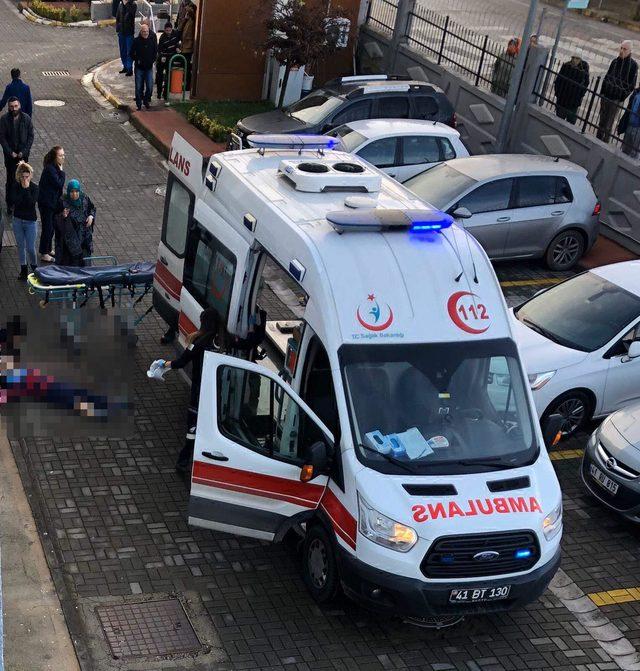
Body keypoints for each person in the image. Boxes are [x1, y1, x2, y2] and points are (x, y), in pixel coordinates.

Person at [160, 308, 224, 474]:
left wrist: (164, 365)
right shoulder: (222, 343)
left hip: (199, 394)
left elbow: (181, 362)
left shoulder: (198, 343)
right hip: (216, 394)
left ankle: (183, 462)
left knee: (192, 429)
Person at [597, 41, 638, 143]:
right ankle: (597, 138)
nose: (621, 51)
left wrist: (621, 97)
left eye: (625, 49)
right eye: (621, 48)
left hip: (616, 99)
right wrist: (602, 92)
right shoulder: (615, 61)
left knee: (608, 124)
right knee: (601, 121)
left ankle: (604, 142)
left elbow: (631, 85)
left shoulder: (633, 66)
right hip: (606, 96)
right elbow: (607, 76)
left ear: (630, 51)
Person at [0, 98, 34, 214]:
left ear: (19, 106)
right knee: (10, 179)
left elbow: (30, 137)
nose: (14, 109)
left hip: (23, 156)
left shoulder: (26, 119)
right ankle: (10, 204)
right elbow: (2, 138)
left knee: (23, 178)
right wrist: (10, 152)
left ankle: (21, 201)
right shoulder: (4, 120)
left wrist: (23, 152)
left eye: (15, 106)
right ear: (8, 107)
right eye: (11, 106)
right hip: (10, 157)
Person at [54, 179, 96, 267]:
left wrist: (91, 216)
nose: (74, 194)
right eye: (72, 192)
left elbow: (92, 208)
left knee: (85, 266)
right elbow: (54, 218)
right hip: (69, 245)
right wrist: (62, 216)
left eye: (77, 191)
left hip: (84, 240)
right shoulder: (62, 201)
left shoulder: (84, 198)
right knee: (71, 269)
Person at [37, 146, 65, 263]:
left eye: (63, 155)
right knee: (47, 228)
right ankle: (44, 253)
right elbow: (59, 184)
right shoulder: (50, 169)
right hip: (47, 204)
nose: (63, 157)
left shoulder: (54, 167)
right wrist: (62, 171)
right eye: (60, 155)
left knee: (51, 227)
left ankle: (47, 249)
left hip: (52, 203)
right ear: (55, 157)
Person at [11, 161, 38, 280]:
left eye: (27, 176)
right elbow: (15, 201)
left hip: (30, 222)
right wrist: (23, 191)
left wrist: (26, 190)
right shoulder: (15, 186)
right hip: (17, 220)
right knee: (21, 246)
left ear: (30, 176)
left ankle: (35, 268)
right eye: (22, 177)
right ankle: (23, 269)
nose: (25, 179)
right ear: (19, 176)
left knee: (31, 248)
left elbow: (31, 203)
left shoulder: (34, 188)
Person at [554, 55, 590, 125]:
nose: (574, 60)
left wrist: (579, 96)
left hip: (573, 103)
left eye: (577, 58)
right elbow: (558, 80)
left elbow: (586, 84)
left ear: (580, 60)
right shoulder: (566, 66)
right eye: (573, 58)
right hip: (562, 100)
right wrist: (558, 93)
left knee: (570, 122)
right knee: (558, 121)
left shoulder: (583, 70)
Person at [130, 23, 158, 111]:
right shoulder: (136, 41)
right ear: (140, 32)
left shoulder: (152, 40)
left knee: (150, 86)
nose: (145, 33)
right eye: (143, 31)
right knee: (138, 87)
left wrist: (152, 61)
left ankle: (146, 100)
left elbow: (155, 52)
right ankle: (139, 104)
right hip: (139, 68)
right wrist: (137, 60)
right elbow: (131, 53)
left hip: (149, 68)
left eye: (146, 31)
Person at [156, 21, 180, 100]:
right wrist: (162, 56)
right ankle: (159, 92)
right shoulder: (162, 37)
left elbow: (178, 42)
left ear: (171, 29)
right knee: (160, 76)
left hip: (171, 57)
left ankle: (165, 93)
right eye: (166, 31)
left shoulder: (175, 34)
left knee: (168, 76)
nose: (168, 32)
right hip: (162, 58)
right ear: (164, 30)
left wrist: (177, 47)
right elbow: (159, 49)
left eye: (169, 30)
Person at [115, 0, 137, 77]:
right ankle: (125, 66)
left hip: (129, 32)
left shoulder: (133, 4)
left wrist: (126, 4)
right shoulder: (120, 4)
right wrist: (117, 30)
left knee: (129, 52)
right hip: (121, 32)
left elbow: (132, 14)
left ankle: (129, 69)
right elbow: (117, 17)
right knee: (122, 50)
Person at [618, 87, 640, 158]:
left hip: (638, 127)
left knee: (634, 151)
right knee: (625, 148)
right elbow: (630, 107)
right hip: (630, 123)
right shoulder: (636, 93)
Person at [180, 3, 196, 91]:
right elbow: (180, 28)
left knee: (187, 67)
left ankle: (187, 85)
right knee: (184, 66)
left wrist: (187, 7)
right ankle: (185, 83)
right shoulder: (188, 20)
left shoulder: (193, 19)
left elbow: (192, 12)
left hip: (188, 47)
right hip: (184, 46)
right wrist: (184, 19)